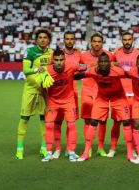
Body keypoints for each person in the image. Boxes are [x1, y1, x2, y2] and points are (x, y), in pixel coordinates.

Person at [75, 52, 134, 162]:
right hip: (102, 98)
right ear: (98, 63)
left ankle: (130, 153)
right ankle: (86, 152)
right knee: (93, 122)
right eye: (101, 61)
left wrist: (121, 65)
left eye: (105, 61)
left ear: (109, 63)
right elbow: (77, 75)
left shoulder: (117, 71)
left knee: (126, 122)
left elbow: (132, 73)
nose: (103, 63)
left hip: (119, 98)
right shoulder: (93, 71)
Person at [41, 49, 86, 162]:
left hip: (68, 101)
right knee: (49, 126)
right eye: (56, 60)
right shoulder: (47, 71)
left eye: (61, 59)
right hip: (52, 101)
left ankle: (71, 151)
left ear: (65, 60)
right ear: (53, 61)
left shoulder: (71, 66)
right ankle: (49, 151)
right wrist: (46, 104)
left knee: (71, 125)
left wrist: (92, 66)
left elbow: (85, 67)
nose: (59, 62)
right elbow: (42, 88)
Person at [15, 28, 53, 159]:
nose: (43, 39)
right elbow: (25, 70)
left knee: (44, 120)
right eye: (40, 37)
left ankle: (44, 147)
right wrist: (38, 69)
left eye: (45, 37)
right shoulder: (30, 51)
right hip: (30, 90)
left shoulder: (51, 53)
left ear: (49, 40)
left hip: (45, 91)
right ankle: (19, 149)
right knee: (24, 118)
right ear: (36, 39)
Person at [107, 31, 139, 158]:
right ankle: (113, 148)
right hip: (119, 94)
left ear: (133, 39)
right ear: (122, 40)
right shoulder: (116, 53)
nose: (127, 42)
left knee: (133, 123)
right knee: (116, 122)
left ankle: (132, 149)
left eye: (129, 39)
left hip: (134, 94)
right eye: (125, 40)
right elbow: (109, 64)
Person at [80, 32, 114, 157]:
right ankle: (87, 148)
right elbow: (77, 68)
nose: (97, 44)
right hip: (87, 90)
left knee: (103, 121)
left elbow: (115, 67)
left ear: (102, 43)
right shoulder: (83, 56)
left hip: (102, 91)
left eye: (99, 41)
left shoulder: (109, 55)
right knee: (88, 120)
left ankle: (100, 147)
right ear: (91, 42)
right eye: (94, 41)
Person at [52, 31, 81, 159]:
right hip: (57, 94)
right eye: (67, 39)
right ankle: (57, 149)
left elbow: (83, 68)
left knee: (71, 122)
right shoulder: (58, 54)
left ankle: (70, 149)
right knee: (57, 122)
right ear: (64, 40)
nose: (69, 41)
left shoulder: (79, 54)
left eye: (71, 39)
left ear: (74, 40)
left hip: (72, 93)